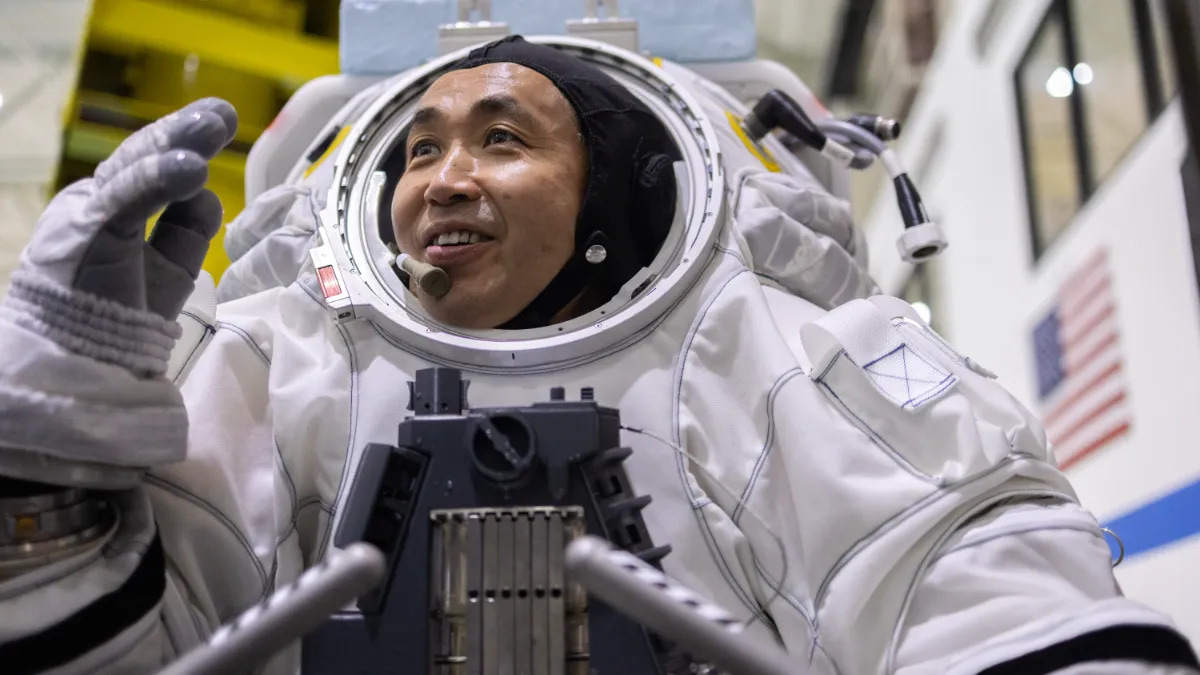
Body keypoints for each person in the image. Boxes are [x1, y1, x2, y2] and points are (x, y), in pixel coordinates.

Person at [0, 35, 1195, 675]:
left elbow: (978, 595)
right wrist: (39, 454)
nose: (443, 180)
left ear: (614, 200)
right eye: (419, 152)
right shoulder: (290, 359)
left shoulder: (760, 352)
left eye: (501, 139)